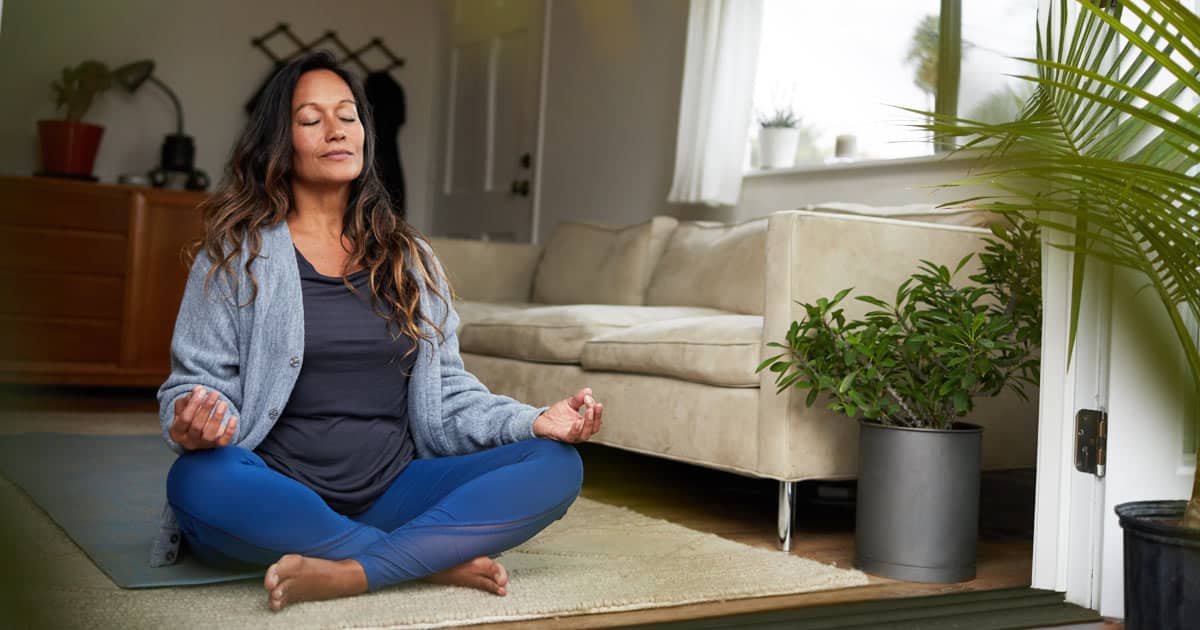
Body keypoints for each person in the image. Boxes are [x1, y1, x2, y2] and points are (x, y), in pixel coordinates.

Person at [155, 50, 603, 612]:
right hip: (278, 492)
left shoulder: (410, 258)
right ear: (279, 141)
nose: (336, 130)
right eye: (311, 119)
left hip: (395, 492)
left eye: (347, 115)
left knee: (555, 463)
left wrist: (534, 420)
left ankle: (352, 570)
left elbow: (451, 396)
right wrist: (197, 422)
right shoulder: (235, 255)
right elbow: (192, 386)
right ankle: (426, 559)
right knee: (197, 480)